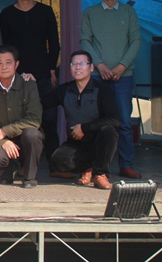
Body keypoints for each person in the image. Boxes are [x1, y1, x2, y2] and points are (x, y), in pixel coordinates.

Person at [80, 0, 142, 179]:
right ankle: (92, 167)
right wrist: (100, 65)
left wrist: (122, 66)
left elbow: (136, 41)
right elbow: (85, 41)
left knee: (124, 121)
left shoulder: (128, 12)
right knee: (94, 122)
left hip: (123, 76)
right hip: (98, 76)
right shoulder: (90, 12)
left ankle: (126, 164)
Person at [0, 0, 61, 164]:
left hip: (42, 74)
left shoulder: (45, 11)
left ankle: (55, 163)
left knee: (49, 118)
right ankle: (21, 164)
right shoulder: (7, 14)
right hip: (15, 77)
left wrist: (52, 69)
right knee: (17, 119)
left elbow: (54, 43)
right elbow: (3, 47)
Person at [43, 51, 119, 189]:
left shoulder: (102, 90)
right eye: (74, 64)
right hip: (76, 144)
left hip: (97, 141)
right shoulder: (65, 90)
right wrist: (29, 84)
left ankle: (100, 174)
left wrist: (84, 128)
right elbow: (42, 104)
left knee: (109, 131)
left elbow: (114, 119)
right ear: (70, 68)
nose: (78, 67)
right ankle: (88, 167)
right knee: (57, 161)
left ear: (91, 67)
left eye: (82, 63)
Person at [0, 45, 43, 188]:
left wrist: (4, 131)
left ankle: (29, 177)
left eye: (8, 62)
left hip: (25, 139)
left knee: (33, 134)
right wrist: (2, 141)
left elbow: (34, 119)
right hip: (3, 142)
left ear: (16, 64)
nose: (4, 67)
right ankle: (8, 172)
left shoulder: (29, 86)